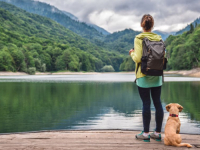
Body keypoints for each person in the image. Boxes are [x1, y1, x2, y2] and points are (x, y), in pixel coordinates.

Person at [129, 14, 164, 142]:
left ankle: (146, 134)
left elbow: (138, 58)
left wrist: (132, 53)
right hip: (157, 76)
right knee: (158, 103)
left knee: (146, 104)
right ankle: (158, 133)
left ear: (141, 25)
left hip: (143, 76)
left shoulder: (139, 38)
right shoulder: (158, 38)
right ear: (152, 25)